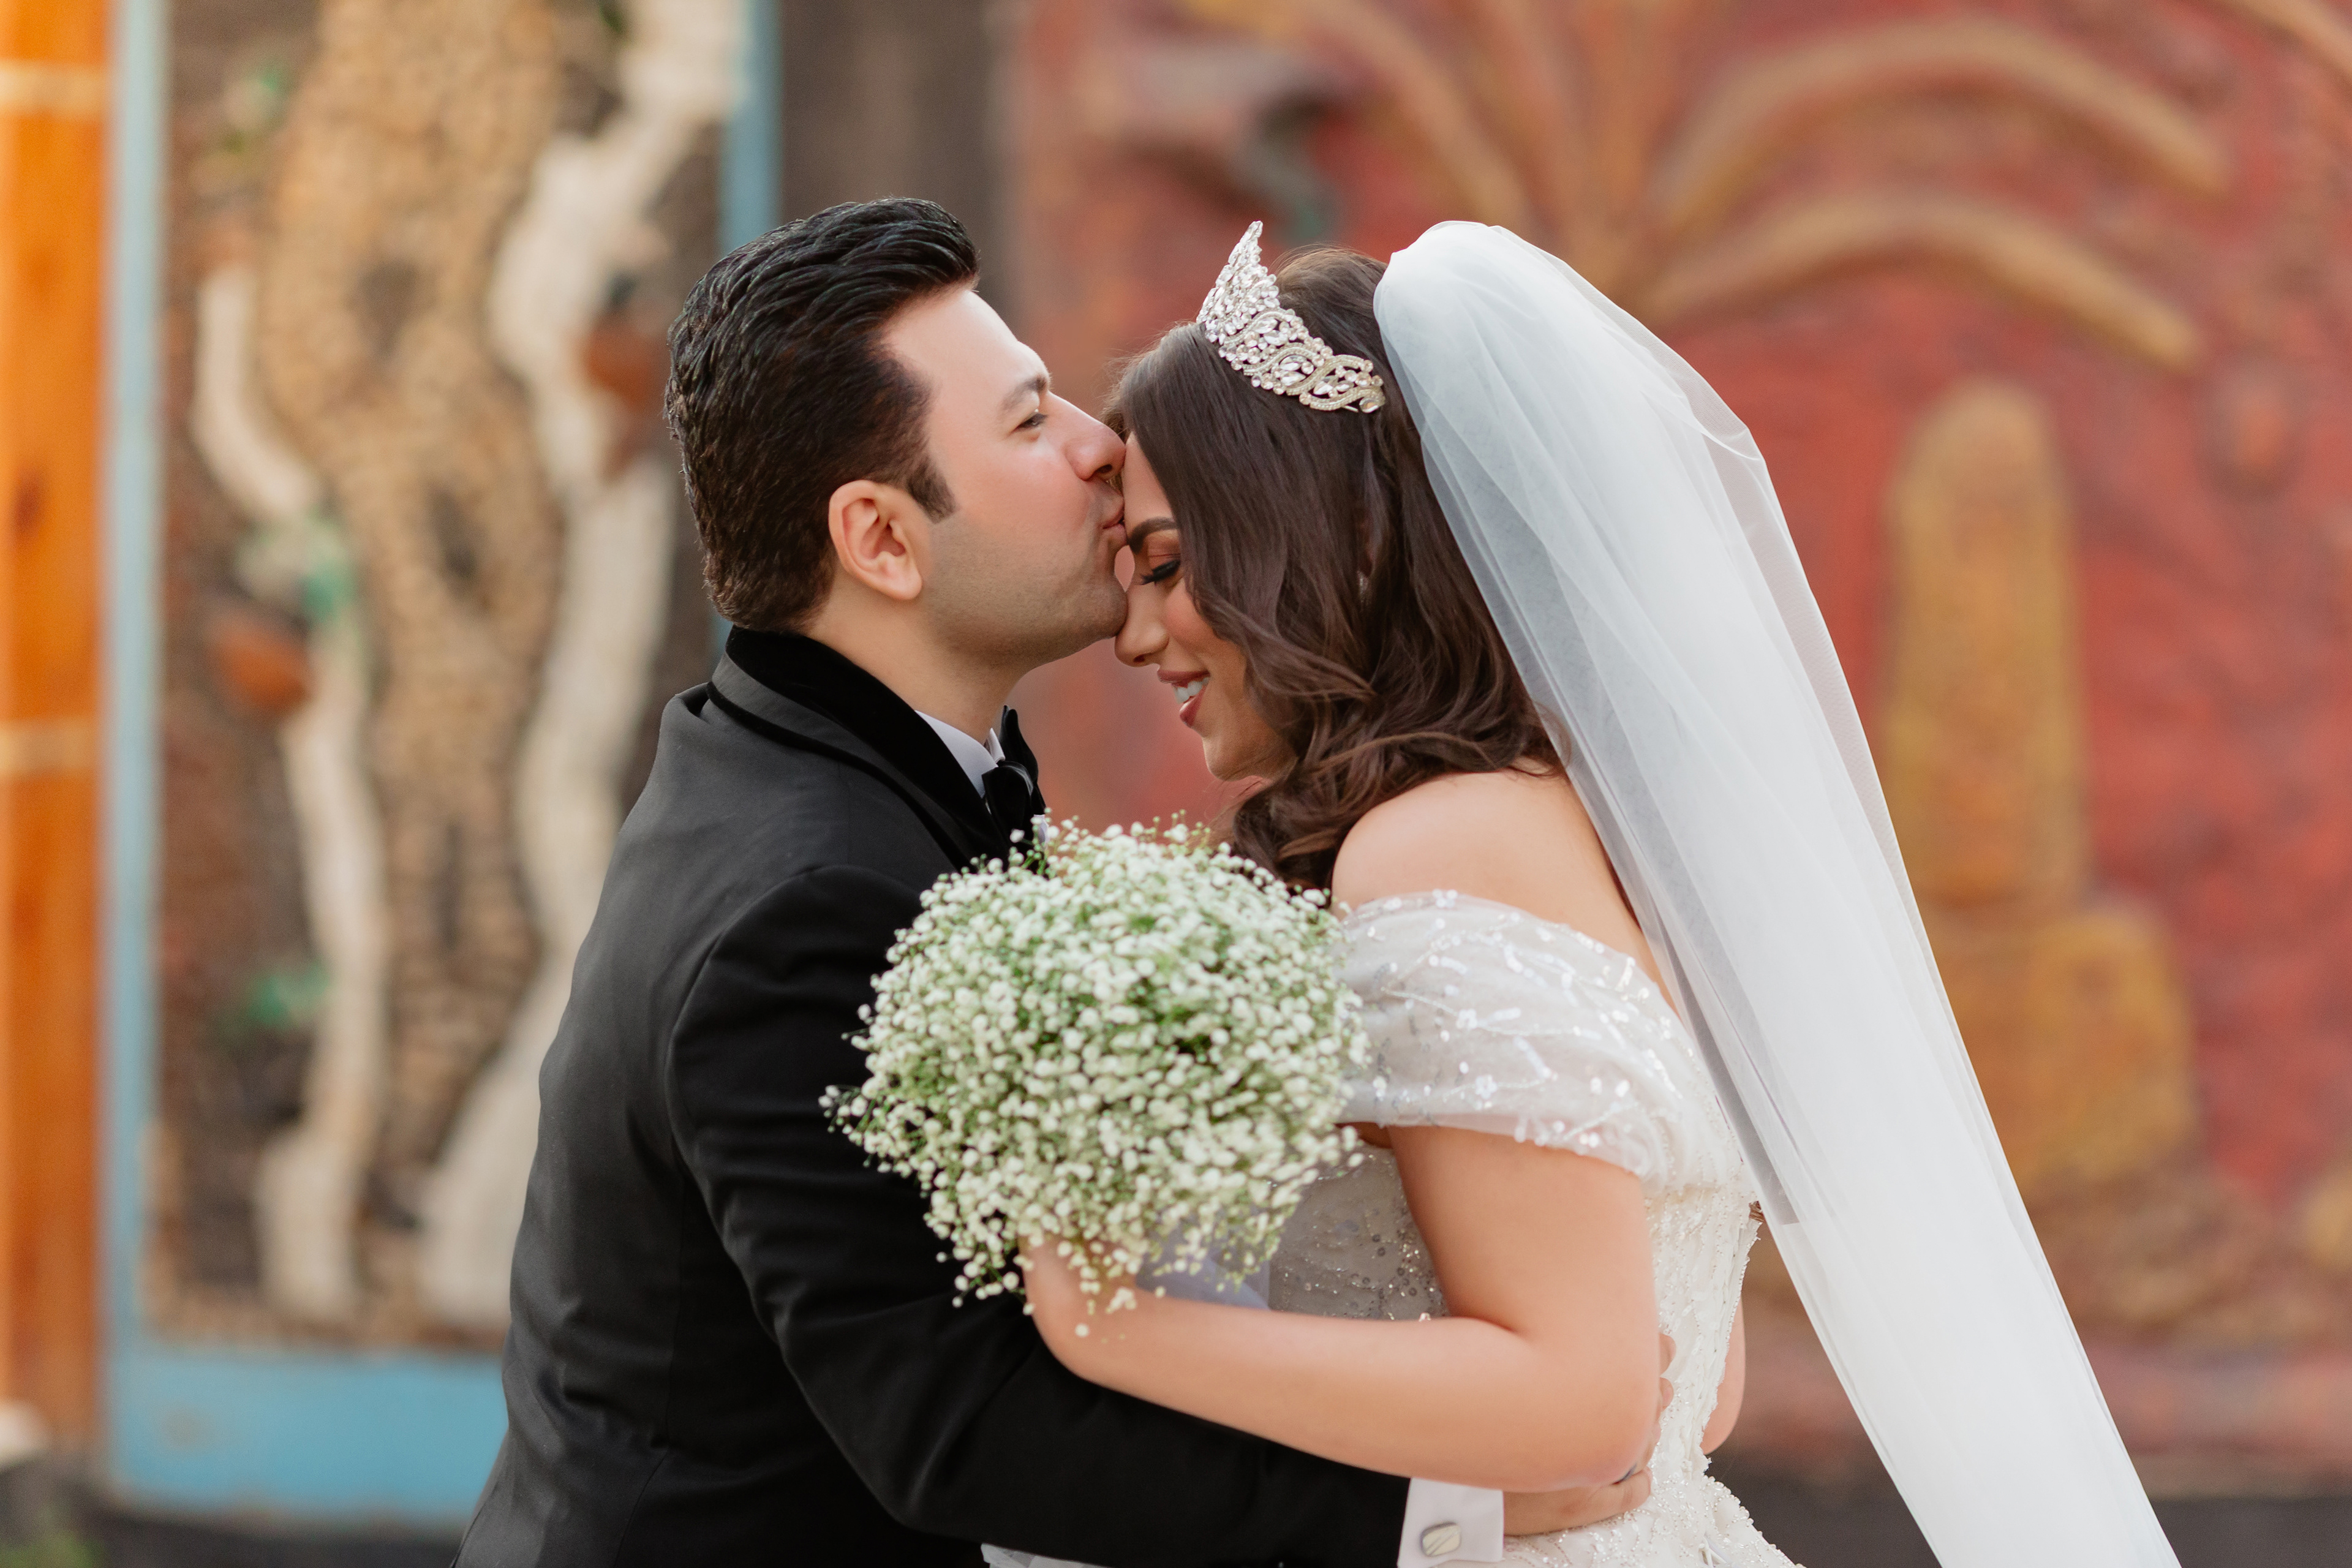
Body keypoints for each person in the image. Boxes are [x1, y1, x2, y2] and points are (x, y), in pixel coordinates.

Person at [454, 198, 1660, 1568]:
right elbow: (951, 1421)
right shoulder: (802, 900)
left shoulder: (841, 772)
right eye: (1030, 423)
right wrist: (1439, 1512)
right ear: (884, 540)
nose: (1101, 449)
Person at [1011, 223, 2181, 1568]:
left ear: (1320, 542)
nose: (1138, 631)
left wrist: (1113, 1324)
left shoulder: (1434, 846)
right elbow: (1702, 1380)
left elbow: (1582, 1398)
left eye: (1164, 564)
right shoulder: (1597, 837)